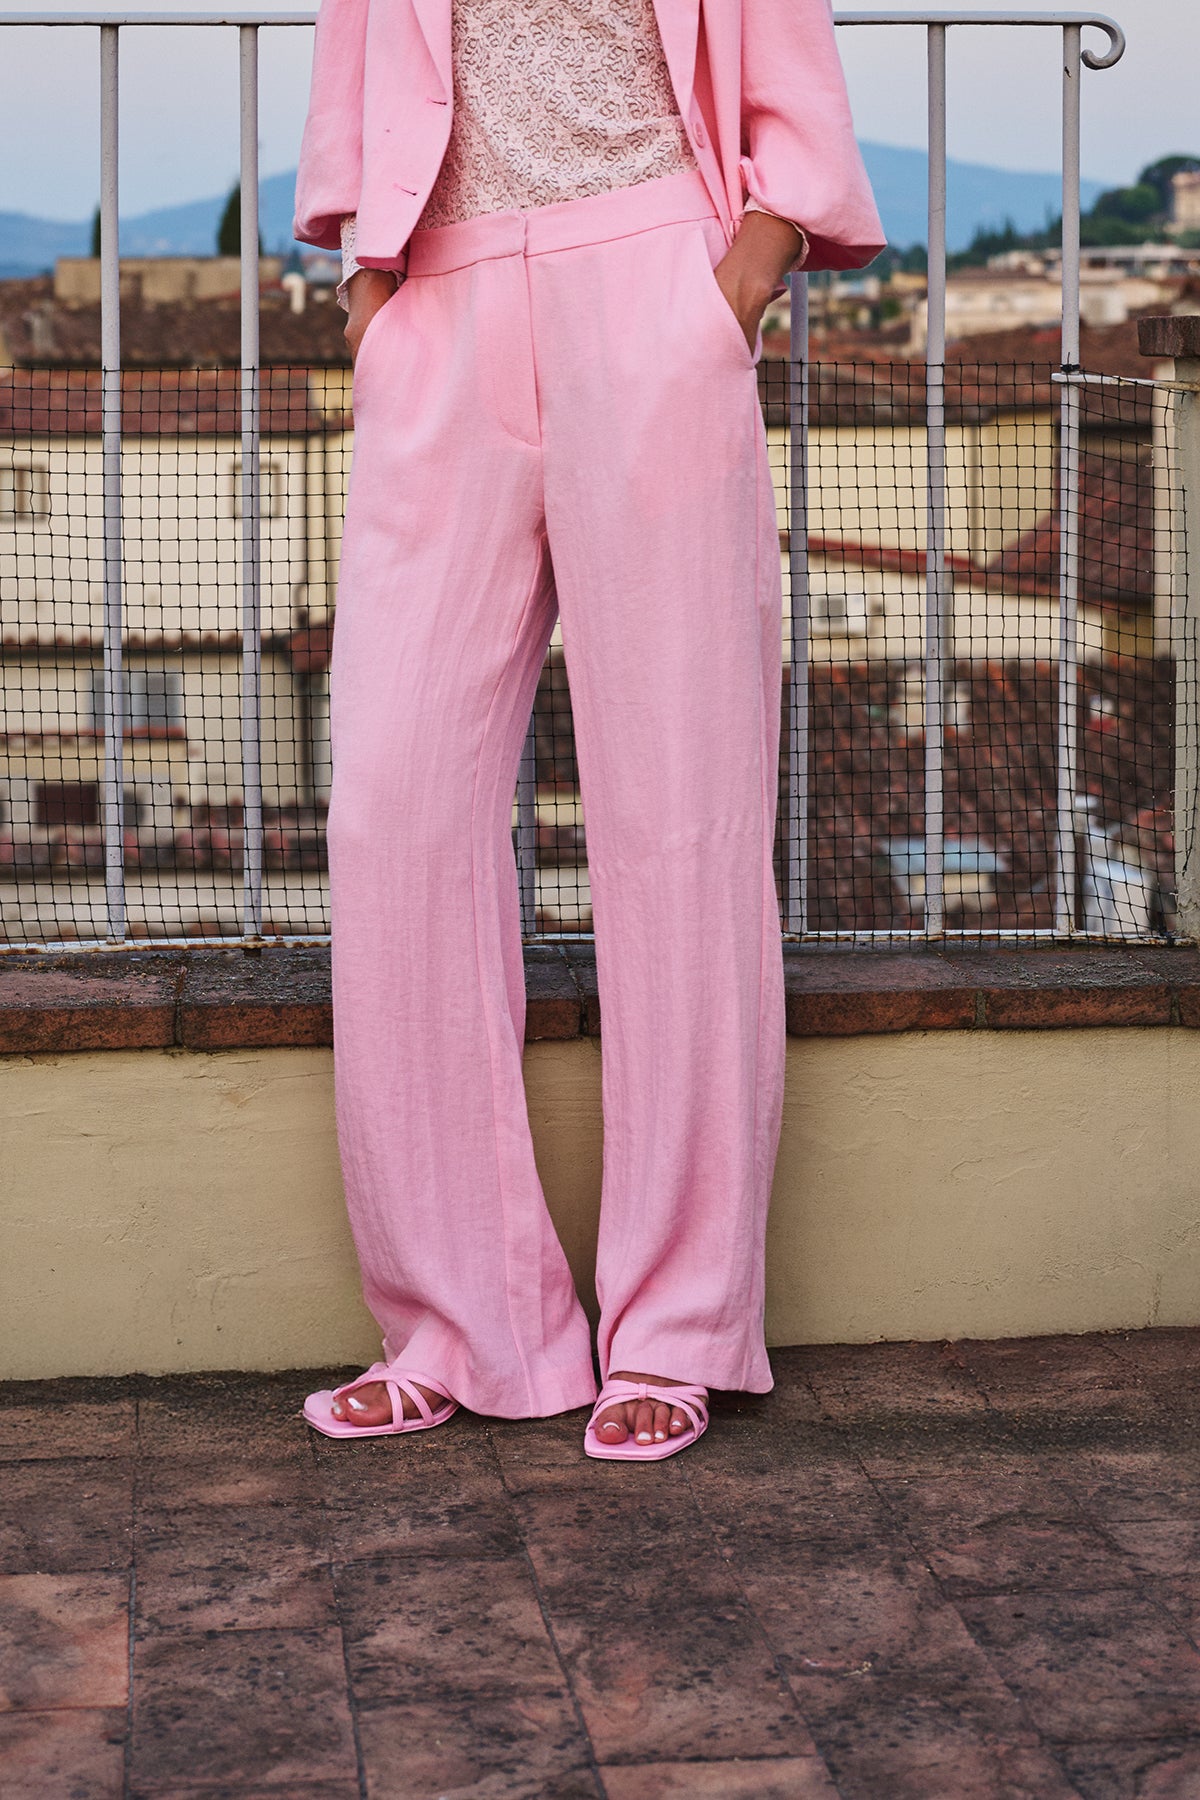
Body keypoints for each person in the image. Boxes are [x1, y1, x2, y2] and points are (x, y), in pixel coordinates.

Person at [292, 0, 883, 1460]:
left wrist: (733, 284)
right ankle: (455, 1323)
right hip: (440, 302)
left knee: (680, 816)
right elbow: (360, 85)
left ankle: (676, 1329)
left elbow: (792, 102)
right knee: (392, 807)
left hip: (657, 293)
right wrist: (375, 298)